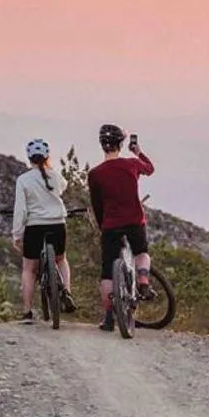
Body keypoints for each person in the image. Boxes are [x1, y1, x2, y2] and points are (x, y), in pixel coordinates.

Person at [86, 123, 155, 331]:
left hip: (111, 225)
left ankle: (108, 318)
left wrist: (102, 225)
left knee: (107, 273)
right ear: (121, 144)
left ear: (102, 145)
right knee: (141, 252)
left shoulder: (95, 174)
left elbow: (97, 204)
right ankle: (143, 280)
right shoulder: (131, 164)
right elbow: (150, 169)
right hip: (134, 221)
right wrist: (138, 152)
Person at [11, 138, 76, 323]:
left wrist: (17, 235)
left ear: (29, 157)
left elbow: (21, 210)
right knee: (61, 259)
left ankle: (27, 311)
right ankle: (67, 292)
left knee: (29, 269)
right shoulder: (55, 176)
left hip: (34, 227)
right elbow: (63, 187)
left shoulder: (23, 180)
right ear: (47, 156)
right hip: (57, 224)